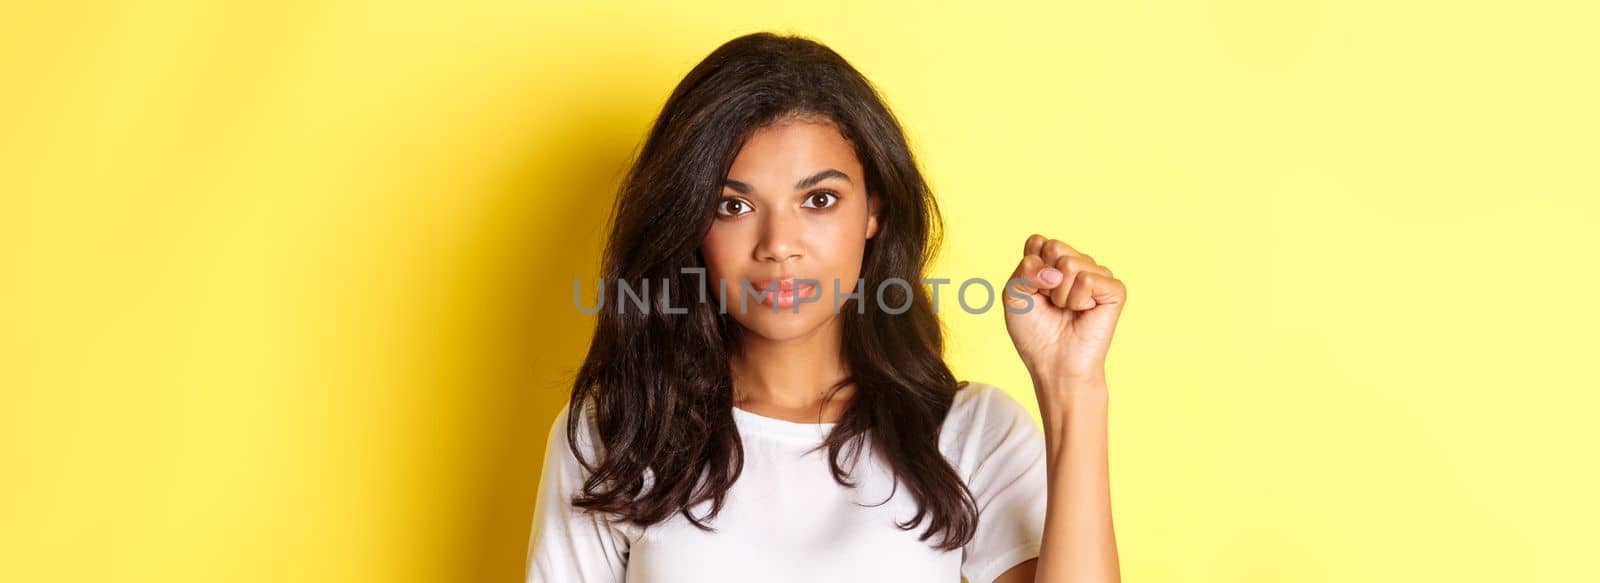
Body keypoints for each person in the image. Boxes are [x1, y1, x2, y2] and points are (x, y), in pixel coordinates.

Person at [527, 32, 1125, 583]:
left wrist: (1071, 386)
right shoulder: (617, 431)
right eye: (733, 206)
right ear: (689, 223)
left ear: (874, 212)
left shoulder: (969, 434)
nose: (778, 245)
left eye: (819, 198)